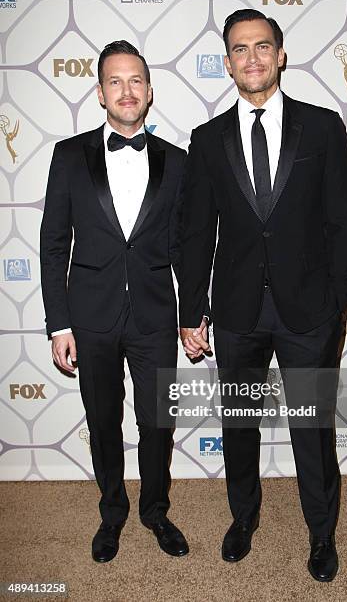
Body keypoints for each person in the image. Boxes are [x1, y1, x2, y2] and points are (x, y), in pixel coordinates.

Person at [179, 9, 347, 581]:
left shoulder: (324, 126)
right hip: (235, 313)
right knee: (239, 425)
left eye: (262, 47)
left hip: (309, 311)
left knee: (313, 427)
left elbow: (341, 222)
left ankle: (321, 534)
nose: (251, 58)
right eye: (239, 49)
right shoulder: (206, 140)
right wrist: (192, 311)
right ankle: (243, 518)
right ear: (227, 61)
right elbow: (195, 232)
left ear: (280, 55)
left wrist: (339, 305)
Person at [40, 40, 188, 563]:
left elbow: (184, 248)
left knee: (158, 423)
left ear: (150, 92)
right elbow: (54, 243)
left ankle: (155, 510)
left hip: (154, 318)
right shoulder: (68, 154)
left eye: (136, 81)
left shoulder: (178, 161)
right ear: (100, 92)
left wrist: (193, 315)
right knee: (103, 422)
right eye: (115, 81)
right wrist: (59, 324)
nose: (127, 91)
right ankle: (112, 513)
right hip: (91, 319)